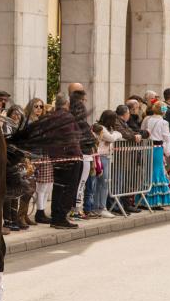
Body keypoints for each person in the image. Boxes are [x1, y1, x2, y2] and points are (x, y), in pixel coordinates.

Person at [41, 93, 82, 229]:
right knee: (68, 188)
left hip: (56, 157)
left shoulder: (51, 117)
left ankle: (56, 216)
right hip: (69, 158)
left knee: (58, 188)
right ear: (67, 103)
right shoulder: (67, 117)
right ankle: (60, 217)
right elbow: (72, 137)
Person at [140, 101, 170, 209]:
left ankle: (144, 199)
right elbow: (167, 137)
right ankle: (155, 201)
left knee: (147, 171)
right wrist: (169, 151)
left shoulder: (148, 119)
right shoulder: (164, 123)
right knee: (157, 172)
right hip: (158, 149)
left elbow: (142, 132)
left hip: (147, 148)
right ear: (164, 111)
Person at [70, 90, 96, 219]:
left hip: (83, 154)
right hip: (83, 154)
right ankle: (76, 209)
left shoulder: (78, 121)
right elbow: (89, 139)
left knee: (80, 182)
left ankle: (76, 208)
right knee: (80, 183)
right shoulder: (78, 122)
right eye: (84, 101)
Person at [93, 111, 122, 218]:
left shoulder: (106, 128)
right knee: (102, 183)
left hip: (105, 156)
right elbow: (111, 138)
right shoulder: (101, 128)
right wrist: (117, 134)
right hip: (102, 157)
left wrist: (114, 134)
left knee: (102, 183)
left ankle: (99, 206)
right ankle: (100, 207)